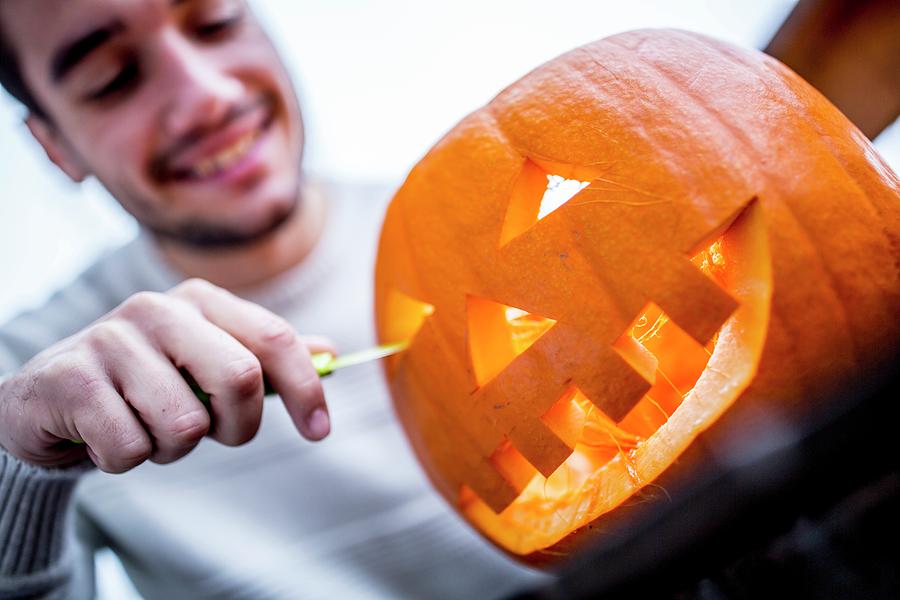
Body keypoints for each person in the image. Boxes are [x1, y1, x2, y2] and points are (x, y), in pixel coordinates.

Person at [0, 1, 549, 598]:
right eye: (113, 77)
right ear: (55, 147)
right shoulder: (26, 400)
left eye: (216, 21)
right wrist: (25, 472)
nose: (207, 97)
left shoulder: (510, 243)